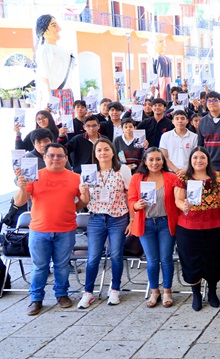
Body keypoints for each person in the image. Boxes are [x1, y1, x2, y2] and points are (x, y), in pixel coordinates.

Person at [13, 143, 88, 315]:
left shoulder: (75, 178)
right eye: (51, 155)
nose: (55, 159)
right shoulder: (33, 176)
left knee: (62, 265)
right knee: (40, 266)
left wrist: (83, 197)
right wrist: (22, 188)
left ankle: (62, 294)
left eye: (59, 156)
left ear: (66, 158)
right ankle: (36, 299)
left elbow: (82, 203)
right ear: (44, 158)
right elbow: (19, 202)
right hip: (39, 230)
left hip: (66, 229)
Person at [76, 139, 132, 309]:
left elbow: (129, 195)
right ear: (95, 153)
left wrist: (132, 219)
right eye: (99, 150)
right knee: (93, 257)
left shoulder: (123, 170)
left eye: (106, 149)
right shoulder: (88, 171)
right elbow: (84, 202)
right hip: (96, 218)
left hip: (118, 218)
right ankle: (88, 292)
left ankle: (115, 289)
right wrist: (83, 193)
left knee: (116, 254)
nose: (103, 153)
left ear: (113, 152)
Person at [173, 147, 220, 311]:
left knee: (215, 260)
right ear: (190, 160)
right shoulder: (184, 178)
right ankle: (196, 293)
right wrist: (184, 205)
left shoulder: (219, 178)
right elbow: (178, 199)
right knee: (191, 261)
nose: (198, 160)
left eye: (202, 157)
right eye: (195, 157)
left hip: (216, 226)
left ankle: (212, 291)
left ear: (208, 159)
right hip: (189, 227)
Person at [128, 147, 181, 308]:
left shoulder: (171, 178)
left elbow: (179, 197)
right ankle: (154, 291)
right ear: (145, 161)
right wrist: (136, 205)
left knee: (166, 259)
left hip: (165, 222)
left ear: (163, 161)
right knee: (152, 260)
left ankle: (167, 291)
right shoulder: (137, 178)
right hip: (147, 223)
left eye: (158, 159)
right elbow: (131, 200)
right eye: (151, 159)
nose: (155, 162)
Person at [34, 15, 75, 118]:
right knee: (54, 128)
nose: (59, 29)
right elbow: (43, 77)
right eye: (54, 26)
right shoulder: (44, 50)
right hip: (53, 95)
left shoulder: (63, 50)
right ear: (44, 30)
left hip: (67, 94)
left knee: (68, 128)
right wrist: (48, 99)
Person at [161, 110, 199, 175]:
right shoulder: (165, 136)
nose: (180, 121)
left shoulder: (194, 137)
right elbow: (164, 157)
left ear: (187, 121)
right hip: (170, 172)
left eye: (182, 118)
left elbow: (196, 157)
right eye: (177, 118)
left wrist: (186, 170)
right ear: (173, 121)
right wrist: (176, 170)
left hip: (189, 172)